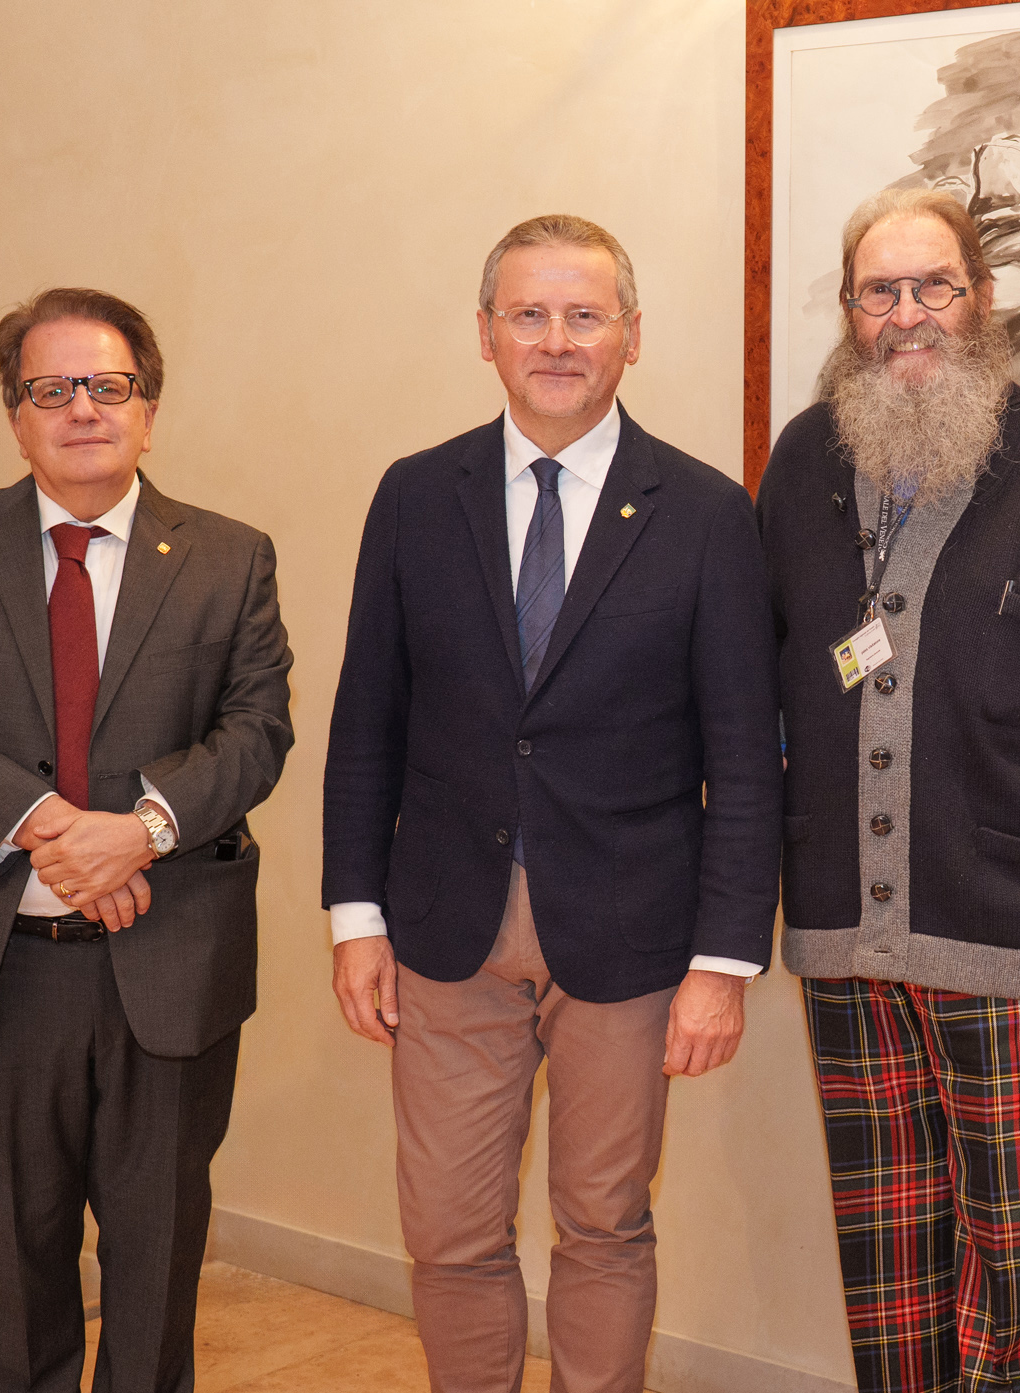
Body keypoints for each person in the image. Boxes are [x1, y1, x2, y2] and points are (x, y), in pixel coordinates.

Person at [322, 214, 781, 1393]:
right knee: (448, 1231)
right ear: (485, 335)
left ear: (631, 335)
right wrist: (354, 918)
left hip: (630, 934)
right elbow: (366, 720)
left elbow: (745, 756)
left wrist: (724, 960)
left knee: (604, 1222)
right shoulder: (415, 496)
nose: (557, 340)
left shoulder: (705, 513)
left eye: (584, 315)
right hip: (443, 928)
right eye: (528, 314)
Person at [757, 187, 1020, 1392]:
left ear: (979, 299)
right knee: (889, 1267)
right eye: (878, 292)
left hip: (1017, 930)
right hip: (845, 934)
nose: (907, 316)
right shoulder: (801, 458)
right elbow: (752, 683)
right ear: (849, 312)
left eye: (932, 285)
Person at [0, 287, 295, 1393]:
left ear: (149, 407)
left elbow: (257, 732)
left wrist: (141, 832)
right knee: (16, 1259)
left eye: (108, 385)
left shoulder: (230, 556)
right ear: (16, 415)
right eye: (50, 389)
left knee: (157, 1263)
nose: (82, 408)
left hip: (170, 963)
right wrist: (55, 829)